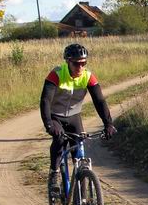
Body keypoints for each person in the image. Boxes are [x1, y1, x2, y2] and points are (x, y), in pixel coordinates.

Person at [40, 43, 117, 194]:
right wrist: (49, 124)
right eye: (76, 63)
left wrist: (108, 123)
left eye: (84, 63)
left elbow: (100, 101)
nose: (80, 67)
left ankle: (83, 198)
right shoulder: (56, 74)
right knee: (60, 141)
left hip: (74, 116)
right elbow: (45, 101)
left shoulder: (88, 76)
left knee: (79, 152)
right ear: (68, 61)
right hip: (56, 116)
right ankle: (54, 174)